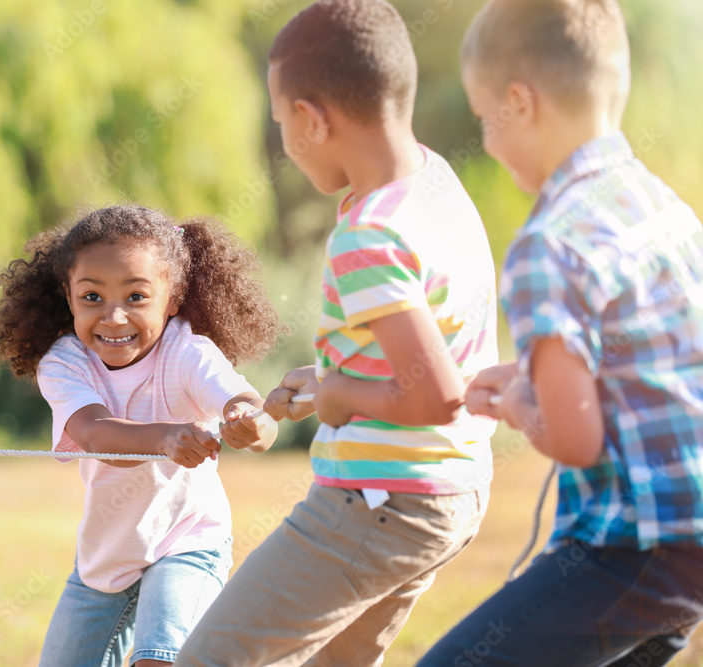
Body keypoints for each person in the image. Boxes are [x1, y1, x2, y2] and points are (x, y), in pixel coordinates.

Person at [174, 1, 500, 665]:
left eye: (282, 125)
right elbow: (421, 356)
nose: (286, 146)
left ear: (311, 119)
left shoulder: (368, 234)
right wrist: (330, 379)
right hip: (448, 494)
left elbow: (435, 394)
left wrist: (337, 397)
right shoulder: (434, 183)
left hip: (379, 501)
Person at [418, 1, 703, 665]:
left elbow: (576, 441)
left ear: (520, 103)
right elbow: (654, 361)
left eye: (486, 117)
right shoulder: (662, 206)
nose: (486, 138)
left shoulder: (549, 242)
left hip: (633, 545)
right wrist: (532, 374)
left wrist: (522, 404)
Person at [0, 204, 282, 667]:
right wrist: (164, 438)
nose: (114, 318)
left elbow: (247, 407)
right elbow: (96, 433)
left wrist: (250, 420)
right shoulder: (63, 364)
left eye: (136, 297)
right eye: (92, 297)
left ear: (174, 297)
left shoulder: (187, 352)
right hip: (106, 555)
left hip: (187, 540)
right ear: (69, 296)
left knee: (159, 659)